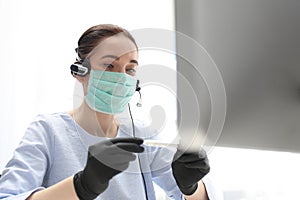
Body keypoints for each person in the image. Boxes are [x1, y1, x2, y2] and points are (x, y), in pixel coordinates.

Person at [0, 24, 219, 200]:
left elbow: (195, 197)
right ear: (79, 72)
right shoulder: (48, 130)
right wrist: (81, 186)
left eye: (130, 68)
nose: (122, 77)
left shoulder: (143, 133)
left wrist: (190, 186)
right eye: (109, 66)